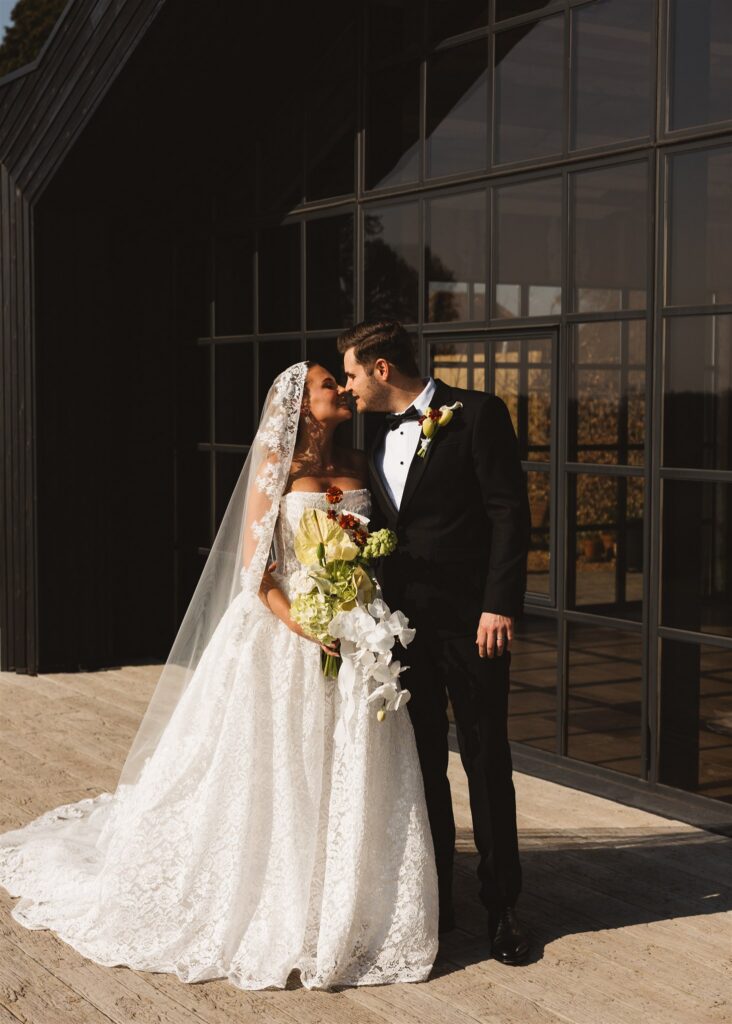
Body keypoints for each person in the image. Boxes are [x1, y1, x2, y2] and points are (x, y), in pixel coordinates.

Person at [0, 361, 439, 991]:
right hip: (287, 636)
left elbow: (376, 549)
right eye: (328, 384)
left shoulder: (361, 462)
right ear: (299, 403)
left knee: (346, 768)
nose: (342, 390)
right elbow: (255, 576)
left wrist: (359, 617)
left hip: (355, 636)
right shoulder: (275, 469)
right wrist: (309, 625)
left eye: (342, 382)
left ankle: (346, 899)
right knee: (279, 769)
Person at [338, 320, 532, 965]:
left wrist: (497, 604)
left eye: (353, 373)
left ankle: (503, 907)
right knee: (420, 767)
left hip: (472, 626)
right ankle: (438, 898)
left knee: (485, 760)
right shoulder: (374, 439)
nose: (349, 385)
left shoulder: (477, 414)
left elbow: (509, 513)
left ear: (383, 369)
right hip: (401, 631)